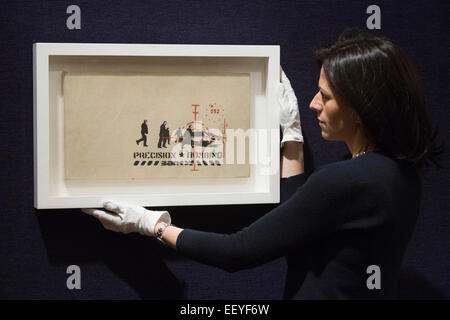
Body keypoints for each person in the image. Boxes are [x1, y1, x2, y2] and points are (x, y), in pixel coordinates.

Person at [82, 31, 442, 299]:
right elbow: (299, 231)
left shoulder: (349, 179)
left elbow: (237, 251)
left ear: (362, 108)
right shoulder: (397, 173)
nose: (315, 104)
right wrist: (293, 139)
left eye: (326, 96)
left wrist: (149, 224)